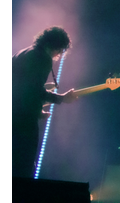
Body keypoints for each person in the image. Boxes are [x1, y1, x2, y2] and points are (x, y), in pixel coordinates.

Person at [12, 26, 78, 178]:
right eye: (61, 50)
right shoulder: (42, 58)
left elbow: (22, 90)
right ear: (57, 46)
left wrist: (36, 110)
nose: (59, 55)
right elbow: (34, 89)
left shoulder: (22, 53)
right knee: (23, 165)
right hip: (22, 122)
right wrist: (61, 98)